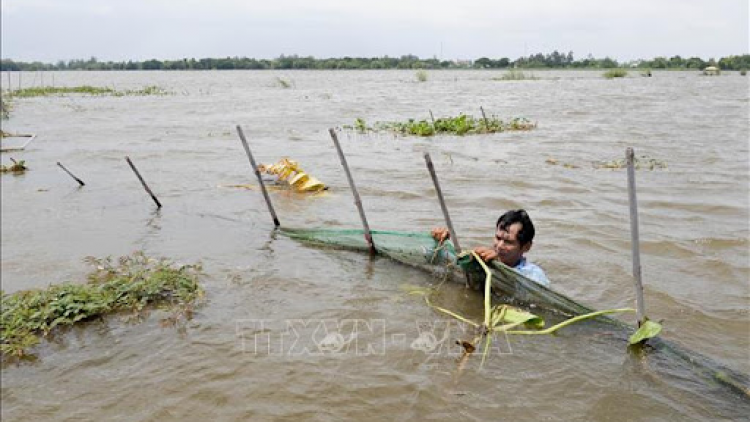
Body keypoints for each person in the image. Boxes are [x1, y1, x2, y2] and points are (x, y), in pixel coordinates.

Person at [431, 209, 550, 286]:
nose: (499, 246)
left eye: (508, 242)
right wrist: (441, 242)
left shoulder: (534, 275)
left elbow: (531, 294)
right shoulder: (482, 259)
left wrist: (499, 266)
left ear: (526, 247)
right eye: (498, 238)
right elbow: (449, 264)